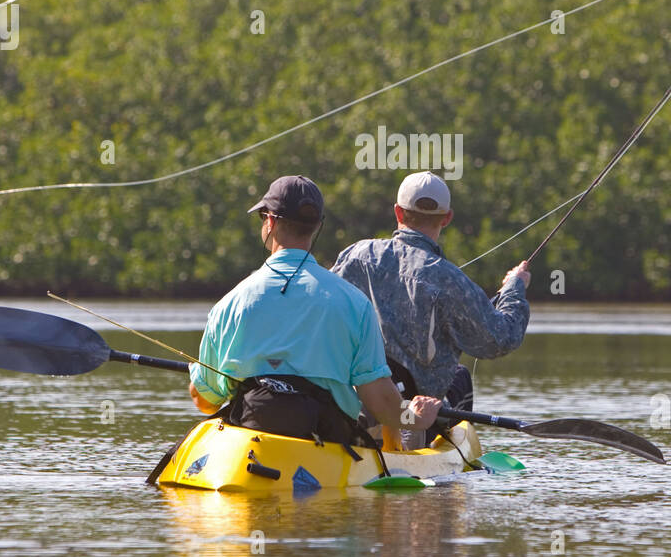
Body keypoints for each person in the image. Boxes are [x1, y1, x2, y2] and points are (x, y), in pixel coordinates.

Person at [189, 175, 440, 449]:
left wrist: (197, 379)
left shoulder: (229, 304)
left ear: (270, 222)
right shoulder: (354, 303)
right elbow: (383, 406)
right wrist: (416, 418)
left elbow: (205, 401)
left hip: (251, 445)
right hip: (326, 445)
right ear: (317, 226)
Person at [332, 171, 530, 434]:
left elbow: (324, 312)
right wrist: (515, 288)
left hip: (357, 401)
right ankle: (447, 451)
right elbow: (500, 339)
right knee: (460, 376)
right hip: (418, 414)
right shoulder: (451, 280)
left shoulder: (355, 255)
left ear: (398, 213)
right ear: (447, 218)